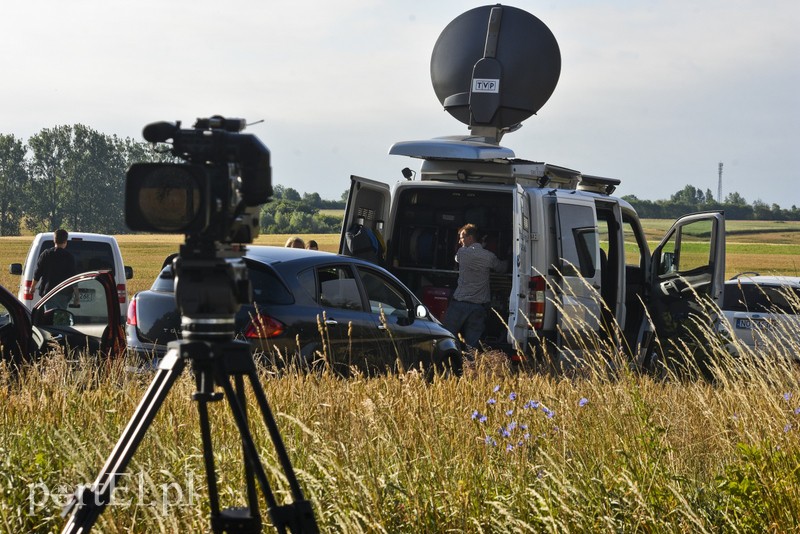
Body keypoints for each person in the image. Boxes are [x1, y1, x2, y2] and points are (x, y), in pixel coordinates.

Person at [442, 223, 504, 353]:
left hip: (459, 304)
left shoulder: (462, 253)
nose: (460, 241)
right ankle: (470, 364)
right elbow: (501, 268)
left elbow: (456, 258)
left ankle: (451, 360)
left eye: (462, 238)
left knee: (447, 336)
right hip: (478, 307)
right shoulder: (489, 256)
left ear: (470, 238)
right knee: (472, 344)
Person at [33, 228, 79, 309]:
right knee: (61, 314)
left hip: (48, 292)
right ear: (65, 241)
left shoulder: (46, 254)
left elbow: (38, 273)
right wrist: (77, 295)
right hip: (64, 293)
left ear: (54, 240)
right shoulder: (69, 257)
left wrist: (32, 287)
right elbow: (73, 277)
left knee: (49, 314)